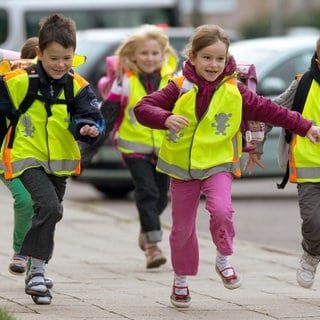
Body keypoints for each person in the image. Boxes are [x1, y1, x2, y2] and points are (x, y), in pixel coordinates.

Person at [133, 24, 320, 308]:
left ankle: (224, 259)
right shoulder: (179, 85)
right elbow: (143, 108)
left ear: (227, 59)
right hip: (182, 169)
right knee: (181, 229)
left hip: (218, 163)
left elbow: (273, 110)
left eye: (220, 59)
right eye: (207, 58)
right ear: (192, 57)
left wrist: (306, 127)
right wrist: (165, 118)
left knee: (221, 210)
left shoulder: (236, 91)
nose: (214, 64)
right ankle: (181, 280)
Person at [0, 14, 105, 305]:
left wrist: (88, 128)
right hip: (25, 157)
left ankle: (36, 270)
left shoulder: (78, 85)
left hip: (60, 161)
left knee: (50, 213)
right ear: (40, 54)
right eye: (53, 58)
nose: (60, 64)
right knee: (49, 207)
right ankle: (36, 272)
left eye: (67, 58)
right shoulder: (17, 82)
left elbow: (93, 117)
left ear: (74, 54)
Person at [100, 24, 178, 269]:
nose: (150, 58)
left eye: (155, 53)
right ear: (132, 55)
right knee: (146, 192)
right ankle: (153, 248)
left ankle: (147, 230)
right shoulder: (124, 81)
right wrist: (90, 143)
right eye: (144, 53)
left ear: (164, 55)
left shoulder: (174, 80)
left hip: (165, 147)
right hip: (133, 146)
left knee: (161, 198)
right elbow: (108, 113)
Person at [246, 36, 320, 290]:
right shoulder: (303, 85)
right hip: (309, 168)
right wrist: (255, 145)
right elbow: (270, 111)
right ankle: (311, 254)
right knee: (312, 222)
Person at [0, 36, 38, 276]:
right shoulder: (9, 82)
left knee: (43, 208)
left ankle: (36, 270)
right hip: (7, 155)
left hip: (39, 156)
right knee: (25, 200)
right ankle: (21, 252)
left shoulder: (60, 84)